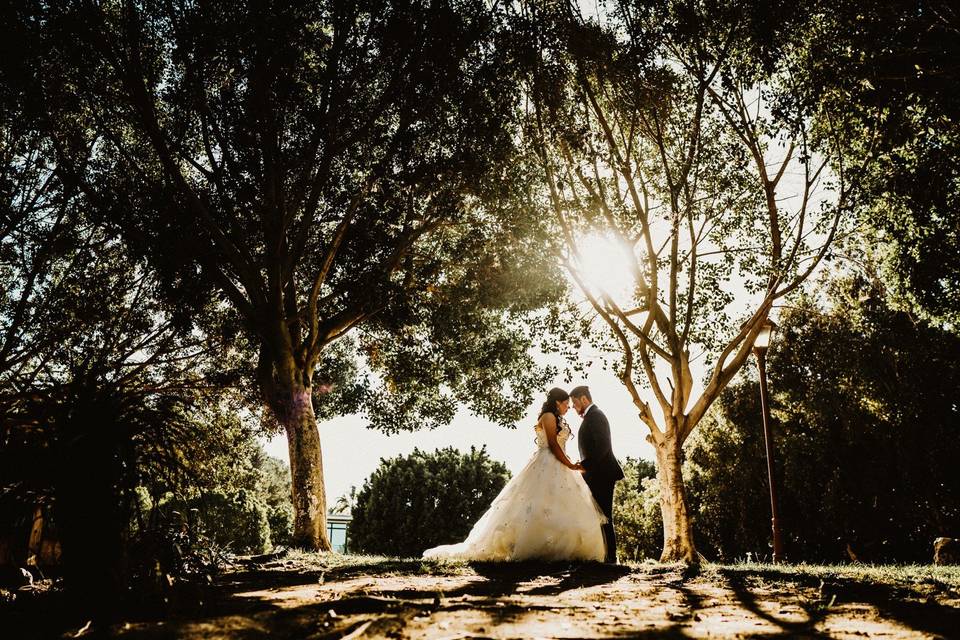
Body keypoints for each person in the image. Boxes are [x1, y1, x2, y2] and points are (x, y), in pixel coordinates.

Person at [422, 387, 607, 561]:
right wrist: (570, 464)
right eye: (566, 403)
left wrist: (569, 464)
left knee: (562, 507)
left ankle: (562, 549)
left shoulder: (558, 418)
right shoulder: (548, 416)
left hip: (561, 464)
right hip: (547, 463)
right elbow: (552, 444)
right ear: (558, 402)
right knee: (538, 506)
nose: (568, 407)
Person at [571, 385, 624, 563]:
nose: (573, 407)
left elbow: (602, 446)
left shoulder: (597, 416)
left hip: (602, 474)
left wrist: (584, 465)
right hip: (596, 473)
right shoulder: (591, 417)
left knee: (605, 515)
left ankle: (611, 558)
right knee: (597, 515)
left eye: (575, 403)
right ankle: (604, 556)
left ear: (584, 399)